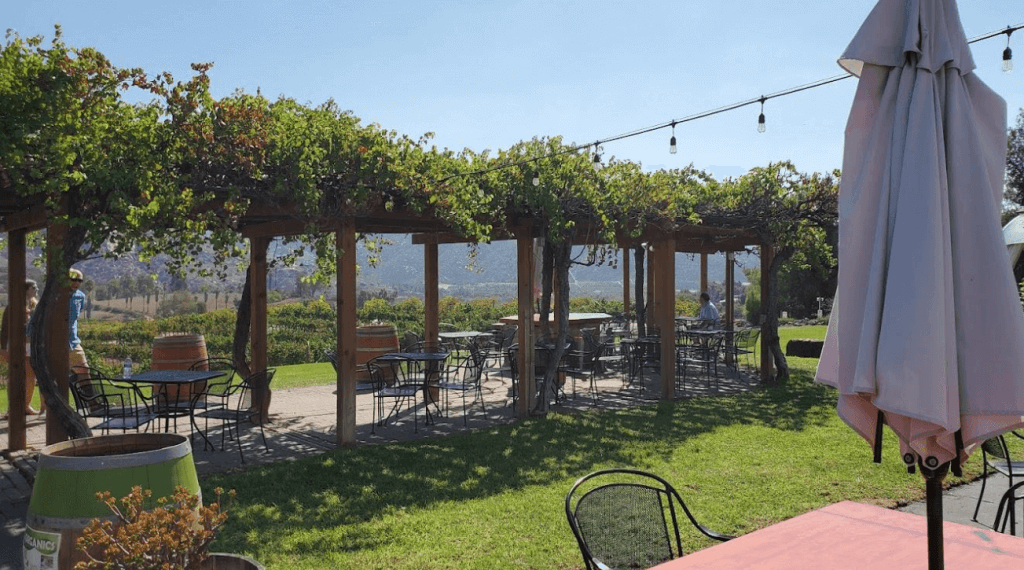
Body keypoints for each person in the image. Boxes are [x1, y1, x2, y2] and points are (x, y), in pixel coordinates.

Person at [0, 279, 41, 414]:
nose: (36, 290)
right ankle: (12, 410)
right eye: (33, 288)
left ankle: (25, 406)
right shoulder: (12, 306)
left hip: (31, 346)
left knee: (31, 376)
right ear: (26, 289)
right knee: (15, 377)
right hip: (16, 346)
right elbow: (5, 329)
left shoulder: (36, 306)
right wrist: (3, 348)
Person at [69, 268, 90, 380]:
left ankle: (89, 397)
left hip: (73, 341)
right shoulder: (55, 295)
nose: (76, 282)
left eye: (79, 280)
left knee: (84, 370)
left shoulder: (80, 296)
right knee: (53, 376)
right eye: (73, 279)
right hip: (55, 342)